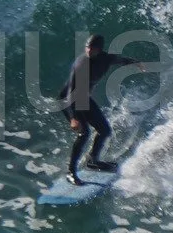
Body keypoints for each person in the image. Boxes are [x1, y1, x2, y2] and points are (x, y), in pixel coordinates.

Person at [62, 34, 145, 180]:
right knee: (84, 134)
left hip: (84, 98)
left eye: (92, 48)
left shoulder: (105, 58)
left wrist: (135, 62)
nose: (88, 50)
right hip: (70, 100)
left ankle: (92, 161)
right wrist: (73, 118)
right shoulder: (81, 64)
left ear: (99, 49)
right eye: (87, 47)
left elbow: (120, 59)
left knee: (105, 130)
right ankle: (71, 172)